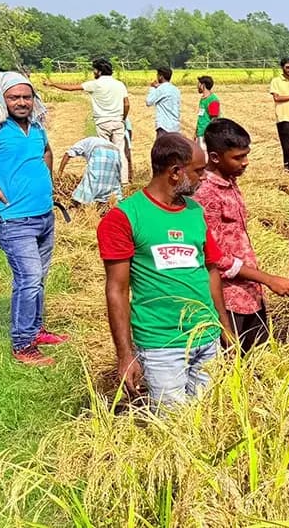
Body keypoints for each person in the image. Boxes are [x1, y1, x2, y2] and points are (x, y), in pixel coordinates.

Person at [97, 134, 233, 408]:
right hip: (162, 345)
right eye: (198, 171)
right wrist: (125, 354)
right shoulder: (124, 217)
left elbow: (210, 272)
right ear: (175, 172)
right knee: (175, 426)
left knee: (213, 416)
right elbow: (117, 289)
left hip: (206, 338)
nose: (204, 177)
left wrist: (224, 329)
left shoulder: (195, 211)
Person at [194, 119, 289, 352]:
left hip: (250, 294)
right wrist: (269, 279)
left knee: (258, 360)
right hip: (227, 300)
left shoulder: (230, 182)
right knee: (234, 363)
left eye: (246, 155)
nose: (245, 162)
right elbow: (216, 259)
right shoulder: (206, 194)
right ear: (215, 157)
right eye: (238, 157)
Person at [0, 72, 68, 366]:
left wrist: (46, 178)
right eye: (14, 97)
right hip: (12, 219)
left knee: (39, 278)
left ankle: (35, 330)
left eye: (26, 97)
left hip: (44, 215)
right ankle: (22, 345)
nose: (22, 102)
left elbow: (46, 151)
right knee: (29, 278)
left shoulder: (35, 127)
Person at [46, 58, 130, 184]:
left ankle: (107, 181)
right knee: (120, 151)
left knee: (105, 152)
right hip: (118, 121)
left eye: (94, 70)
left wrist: (52, 84)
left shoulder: (95, 84)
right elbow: (127, 104)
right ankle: (124, 182)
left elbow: (70, 88)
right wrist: (122, 118)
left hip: (102, 122)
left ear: (99, 71)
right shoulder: (120, 84)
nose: (93, 72)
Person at [58, 136, 123, 207]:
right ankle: (106, 202)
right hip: (116, 152)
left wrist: (59, 173)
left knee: (92, 181)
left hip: (99, 150)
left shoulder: (81, 144)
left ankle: (81, 203)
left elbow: (68, 154)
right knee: (111, 180)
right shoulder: (93, 141)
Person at [145, 67, 182, 137]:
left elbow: (148, 102)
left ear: (161, 77)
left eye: (157, 75)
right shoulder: (176, 89)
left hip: (164, 126)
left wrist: (152, 88)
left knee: (162, 147)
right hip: (175, 126)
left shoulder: (161, 89)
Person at [195, 75, 221, 150]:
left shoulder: (213, 100)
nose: (197, 87)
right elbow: (201, 116)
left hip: (206, 134)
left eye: (198, 84)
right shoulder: (203, 99)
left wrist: (209, 135)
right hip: (200, 133)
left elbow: (214, 120)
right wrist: (196, 132)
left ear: (203, 85)